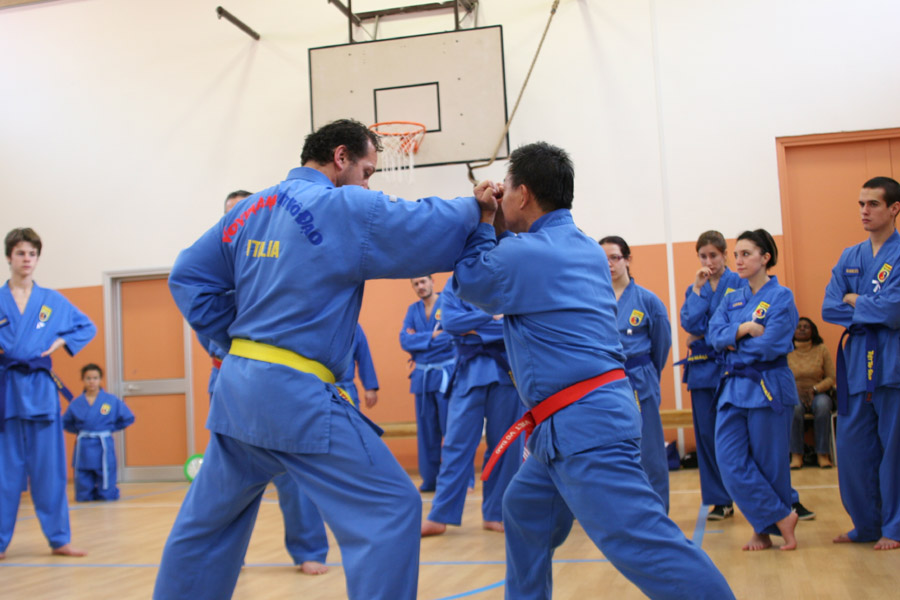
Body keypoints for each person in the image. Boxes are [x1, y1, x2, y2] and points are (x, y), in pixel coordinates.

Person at [154, 118, 484, 600]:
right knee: (392, 507)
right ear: (341, 157)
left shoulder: (249, 208)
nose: (368, 184)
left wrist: (242, 341)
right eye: (366, 172)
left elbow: (187, 277)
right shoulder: (341, 205)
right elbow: (424, 224)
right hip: (294, 395)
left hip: (238, 389)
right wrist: (479, 207)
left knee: (207, 529)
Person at [453, 142, 734, 598]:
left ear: (523, 194)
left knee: (642, 542)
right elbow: (516, 264)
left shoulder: (533, 253)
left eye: (505, 188)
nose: (500, 196)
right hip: (573, 421)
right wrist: (501, 229)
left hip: (583, 426)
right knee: (524, 511)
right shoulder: (581, 245)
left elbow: (472, 281)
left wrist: (485, 221)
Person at [195, 189, 331, 576]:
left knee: (291, 471)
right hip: (229, 379)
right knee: (227, 478)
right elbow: (202, 319)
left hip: (275, 380)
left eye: (244, 211)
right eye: (231, 213)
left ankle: (309, 549)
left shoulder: (277, 262)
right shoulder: (212, 269)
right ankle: (227, 556)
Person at [0, 227, 97, 560]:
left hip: (41, 392)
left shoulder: (52, 301)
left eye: (32, 254)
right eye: (20, 253)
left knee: (50, 471)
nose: (26, 259)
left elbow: (86, 326)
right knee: (4, 472)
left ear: (37, 258)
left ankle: (59, 539)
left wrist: (60, 343)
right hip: (7, 392)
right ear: (9, 257)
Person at [707, 229, 800, 551]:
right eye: (736, 254)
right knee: (728, 460)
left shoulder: (781, 296)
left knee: (769, 464)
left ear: (766, 257)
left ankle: (765, 530)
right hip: (734, 387)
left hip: (768, 385)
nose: (739, 260)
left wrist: (733, 344)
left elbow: (772, 343)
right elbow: (713, 336)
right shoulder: (731, 297)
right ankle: (781, 516)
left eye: (746, 254)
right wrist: (743, 329)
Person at [822, 175, 900, 551]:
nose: (864, 211)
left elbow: (895, 310)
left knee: (894, 451)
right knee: (853, 450)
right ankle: (866, 523)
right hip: (857, 365)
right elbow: (830, 306)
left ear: (894, 209)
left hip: (892, 364)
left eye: (873, 204)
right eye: (861, 204)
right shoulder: (849, 256)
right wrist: (869, 307)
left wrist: (856, 301)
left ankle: (895, 527)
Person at [420, 285, 523, 536]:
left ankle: (496, 513)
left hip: (507, 372)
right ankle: (440, 515)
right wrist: (491, 316)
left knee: (505, 447)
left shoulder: (509, 278)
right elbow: (451, 323)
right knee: (455, 444)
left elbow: (518, 324)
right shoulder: (455, 284)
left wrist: (474, 328)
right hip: (468, 373)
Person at [599, 235, 672, 513]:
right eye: (603, 259)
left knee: (649, 450)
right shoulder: (594, 300)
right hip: (606, 383)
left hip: (640, 379)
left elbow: (661, 345)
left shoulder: (648, 301)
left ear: (628, 260)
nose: (609, 264)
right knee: (610, 449)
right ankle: (620, 511)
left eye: (615, 257)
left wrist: (647, 374)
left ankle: (657, 511)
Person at [678, 230, 743, 520]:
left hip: (732, 366)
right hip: (702, 369)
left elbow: (735, 322)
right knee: (706, 435)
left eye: (713, 255)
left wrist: (707, 334)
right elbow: (690, 324)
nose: (708, 262)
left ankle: (752, 496)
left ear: (725, 254)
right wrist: (697, 288)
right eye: (703, 256)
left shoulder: (739, 283)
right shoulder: (696, 288)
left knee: (736, 434)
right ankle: (720, 500)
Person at [400, 275, 455, 492]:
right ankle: (430, 479)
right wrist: (432, 336)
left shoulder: (448, 303)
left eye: (423, 282)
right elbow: (404, 340)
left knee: (453, 430)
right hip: (422, 378)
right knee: (427, 433)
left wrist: (421, 341)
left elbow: (451, 336)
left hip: (445, 376)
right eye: (415, 284)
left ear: (432, 282)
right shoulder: (412, 310)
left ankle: (461, 479)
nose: (420, 286)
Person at [62, 363, 135, 501]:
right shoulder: (76, 403)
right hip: (84, 444)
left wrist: (109, 429)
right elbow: (65, 422)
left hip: (103, 443)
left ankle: (107, 492)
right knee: (83, 484)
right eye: (88, 378)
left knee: (106, 475)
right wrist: (81, 431)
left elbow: (128, 417)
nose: (92, 382)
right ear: (83, 380)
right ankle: (85, 493)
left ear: (100, 379)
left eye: (95, 378)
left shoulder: (110, 401)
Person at [788, 317, 835, 469]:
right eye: (799, 326)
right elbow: (782, 377)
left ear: (812, 331)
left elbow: (831, 377)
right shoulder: (786, 349)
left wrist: (814, 389)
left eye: (806, 327)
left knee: (822, 406)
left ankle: (823, 454)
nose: (802, 329)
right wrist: (796, 390)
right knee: (794, 408)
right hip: (794, 392)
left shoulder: (821, 349)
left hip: (818, 391)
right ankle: (796, 455)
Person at [335, 323, 379, 410]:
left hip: (346, 389)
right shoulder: (316, 323)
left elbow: (364, 356)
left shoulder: (352, 326)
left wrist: (370, 387)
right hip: (320, 387)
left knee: (350, 418)